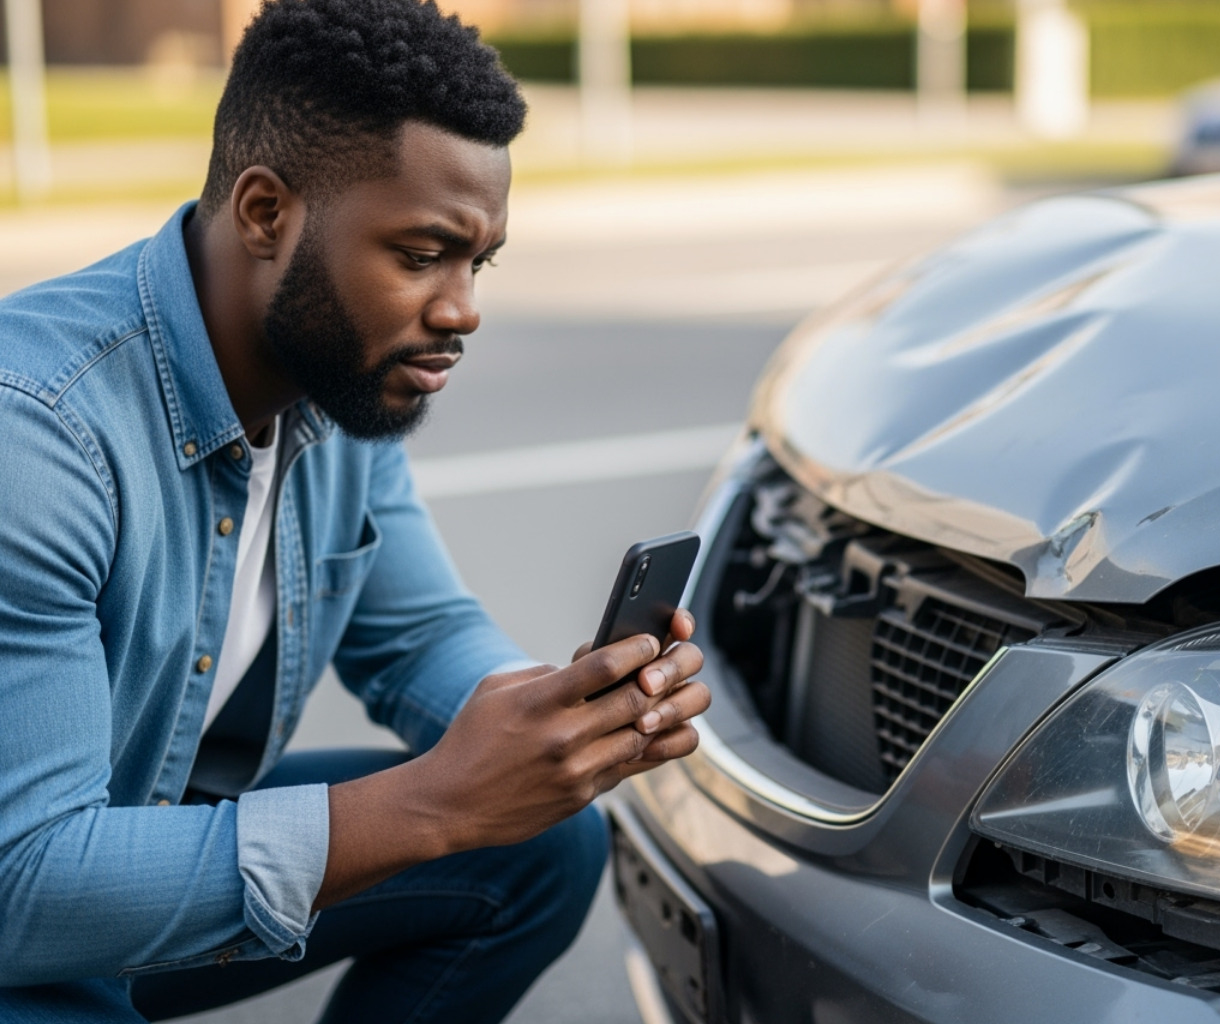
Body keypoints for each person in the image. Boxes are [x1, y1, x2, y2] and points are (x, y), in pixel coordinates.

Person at [0, 1, 710, 1020]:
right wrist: (438, 801)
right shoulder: (36, 433)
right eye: (422, 255)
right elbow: (26, 883)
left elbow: (418, 633)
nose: (463, 308)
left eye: (479, 262)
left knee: (543, 845)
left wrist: (552, 721)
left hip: (120, 857)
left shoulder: (330, 386)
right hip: (28, 909)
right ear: (265, 214)